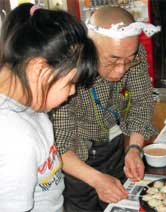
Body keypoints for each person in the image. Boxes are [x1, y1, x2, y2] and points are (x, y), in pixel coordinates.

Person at [50, 6, 160, 212]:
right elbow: (59, 144)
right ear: (90, 47)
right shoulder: (69, 67)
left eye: (128, 61)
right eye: (113, 60)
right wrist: (96, 179)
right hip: (76, 155)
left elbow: (142, 101)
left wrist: (134, 148)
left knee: (119, 202)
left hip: (113, 146)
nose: (121, 70)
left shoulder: (132, 52)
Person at [0, 3, 97, 212]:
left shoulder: (31, 106)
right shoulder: (14, 137)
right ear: (39, 69)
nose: (72, 92)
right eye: (70, 83)